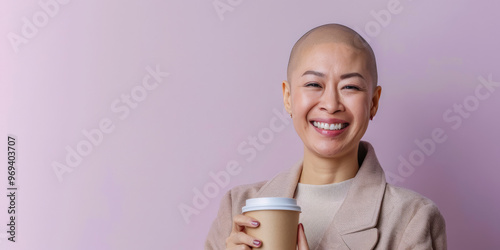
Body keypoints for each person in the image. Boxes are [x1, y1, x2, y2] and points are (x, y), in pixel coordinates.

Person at [205, 23, 447, 250]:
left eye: (350, 87)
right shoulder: (239, 206)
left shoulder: (412, 217)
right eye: (313, 84)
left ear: (373, 103)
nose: (331, 105)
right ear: (288, 97)